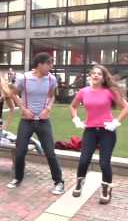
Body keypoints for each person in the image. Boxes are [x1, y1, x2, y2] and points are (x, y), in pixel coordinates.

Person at [7, 52, 65, 195]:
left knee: (50, 152)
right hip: (27, 120)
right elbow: (13, 93)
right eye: (49, 63)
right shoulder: (24, 78)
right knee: (20, 152)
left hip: (43, 121)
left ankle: (59, 182)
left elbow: (52, 96)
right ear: (40, 64)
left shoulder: (51, 79)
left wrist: (48, 108)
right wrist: (23, 109)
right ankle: (18, 178)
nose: (51, 66)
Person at [70, 65, 128, 204]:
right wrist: (76, 119)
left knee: (104, 162)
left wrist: (116, 122)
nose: (96, 75)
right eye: (93, 73)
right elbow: (73, 106)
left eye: (99, 74)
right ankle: (80, 182)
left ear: (103, 78)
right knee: (84, 160)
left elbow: (126, 107)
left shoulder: (109, 92)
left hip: (107, 131)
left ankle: (106, 189)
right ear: (90, 76)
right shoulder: (84, 92)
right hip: (90, 130)